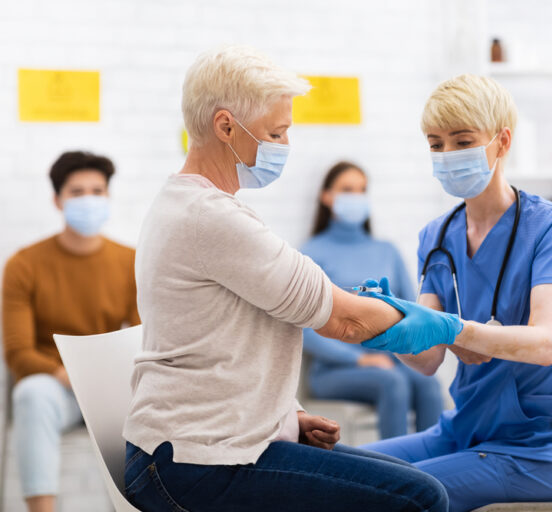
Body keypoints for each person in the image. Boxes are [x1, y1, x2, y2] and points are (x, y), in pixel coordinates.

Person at [120, 45, 467, 512]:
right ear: (225, 127)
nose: (284, 145)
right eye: (276, 132)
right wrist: (453, 328)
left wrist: (287, 416)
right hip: (194, 464)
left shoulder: (190, 205)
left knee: (413, 482)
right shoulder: (211, 219)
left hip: (203, 446)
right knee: (422, 499)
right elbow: (343, 321)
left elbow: (220, 344)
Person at [361, 74, 552, 512]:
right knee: (340, 473)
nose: (447, 155)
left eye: (462, 140)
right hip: (461, 431)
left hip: (534, 449)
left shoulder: (551, 227)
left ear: (502, 142)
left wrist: (455, 330)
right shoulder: (438, 234)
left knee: (389, 496)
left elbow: (545, 344)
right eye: (436, 143)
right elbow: (427, 360)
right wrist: (388, 326)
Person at [2, 151, 140, 512]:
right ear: (57, 200)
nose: (89, 199)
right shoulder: (24, 264)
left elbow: (142, 338)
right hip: (55, 387)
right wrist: (69, 376)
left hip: (109, 387)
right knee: (31, 394)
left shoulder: (129, 261)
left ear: (108, 196)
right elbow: (18, 353)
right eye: (77, 192)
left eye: (97, 190)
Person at [301, 161, 443, 439]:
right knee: (393, 383)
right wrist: (359, 360)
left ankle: (433, 472)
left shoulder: (386, 251)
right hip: (333, 371)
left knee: (429, 384)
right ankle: (399, 476)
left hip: (389, 361)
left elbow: (410, 310)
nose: (356, 196)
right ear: (327, 196)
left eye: (362, 190)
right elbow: (304, 329)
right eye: (347, 189)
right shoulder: (310, 253)